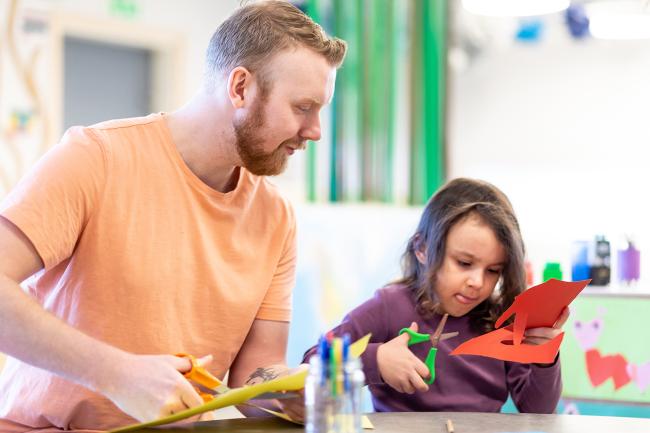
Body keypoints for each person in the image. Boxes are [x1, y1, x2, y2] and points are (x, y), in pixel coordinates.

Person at [0, 1, 346, 430]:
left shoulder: (275, 216)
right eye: (303, 107)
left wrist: (295, 389)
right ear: (240, 87)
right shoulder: (96, 157)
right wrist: (115, 373)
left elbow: (256, 373)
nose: (315, 131)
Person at [302, 178, 567, 414]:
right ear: (422, 249)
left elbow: (537, 410)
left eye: (493, 271)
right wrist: (376, 359)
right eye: (464, 263)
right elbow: (312, 362)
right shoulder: (389, 306)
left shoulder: (503, 320)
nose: (477, 282)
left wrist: (544, 357)